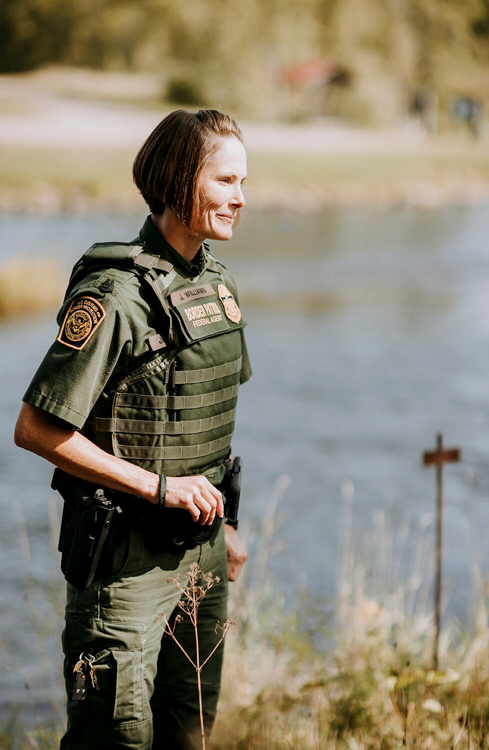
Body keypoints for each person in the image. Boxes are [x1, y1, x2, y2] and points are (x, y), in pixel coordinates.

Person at [14, 109, 251, 750]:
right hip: (123, 569)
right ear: (180, 182)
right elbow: (35, 427)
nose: (240, 198)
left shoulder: (216, 285)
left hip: (200, 556)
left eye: (242, 182)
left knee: (191, 733)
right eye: (226, 181)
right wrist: (159, 488)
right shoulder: (116, 295)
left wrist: (227, 525)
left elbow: (214, 421)